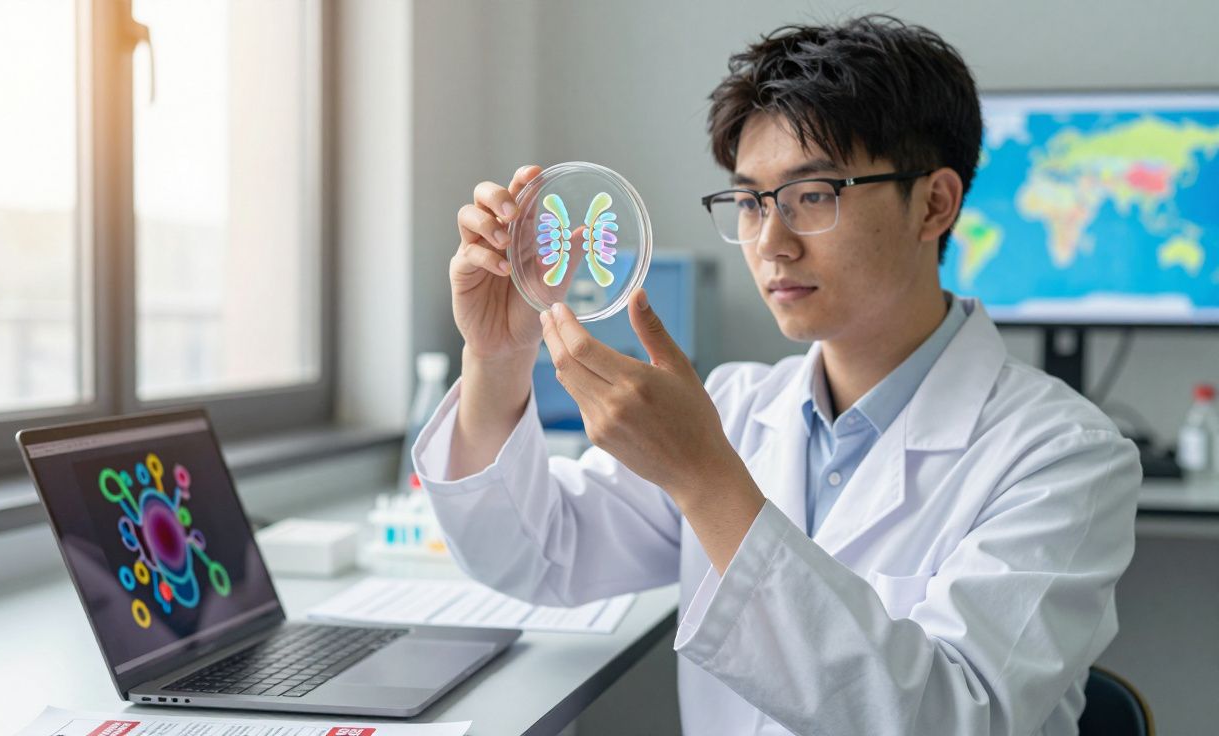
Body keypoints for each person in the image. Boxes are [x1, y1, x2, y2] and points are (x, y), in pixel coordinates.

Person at [413, 14, 1141, 735]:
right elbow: (536, 556)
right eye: (750, 201)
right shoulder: (734, 407)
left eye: (813, 195)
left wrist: (706, 478)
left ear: (935, 203)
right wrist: (498, 354)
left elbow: (948, 719)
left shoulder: (1065, 457)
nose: (770, 243)